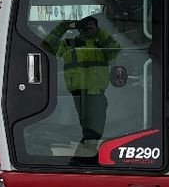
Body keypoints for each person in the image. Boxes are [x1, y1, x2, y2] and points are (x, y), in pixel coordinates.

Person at [42, 14, 122, 147]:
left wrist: (99, 33)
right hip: (76, 94)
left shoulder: (102, 45)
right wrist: (61, 28)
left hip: (97, 94)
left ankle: (86, 155)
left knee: (95, 130)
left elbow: (116, 49)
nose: (86, 29)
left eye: (91, 26)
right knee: (85, 129)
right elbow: (48, 46)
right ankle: (86, 156)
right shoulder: (68, 45)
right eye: (83, 26)